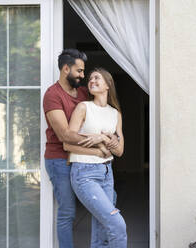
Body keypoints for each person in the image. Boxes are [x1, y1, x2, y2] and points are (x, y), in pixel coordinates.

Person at [43, 49, 118, 248]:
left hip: (85, 161)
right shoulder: (52, 95)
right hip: (59, 159)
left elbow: (99, 115)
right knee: (67, 211)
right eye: (79, 71)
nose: (83, 76)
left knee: (104, 206)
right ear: (66, 68)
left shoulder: (84, 92)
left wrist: (111, 136)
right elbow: (65, 136)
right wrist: (100, 145)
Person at [63, 68, 127, 248]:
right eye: (90, 79)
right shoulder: (83, 107)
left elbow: (120, 150)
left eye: (97, 78)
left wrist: (104, 138)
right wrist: (98, 151)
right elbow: (68, 144)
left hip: (107, 174)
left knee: (102, 231)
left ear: (108, 85)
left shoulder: (116, 114)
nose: (92, 81)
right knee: (117, 224)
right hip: (84, 174)